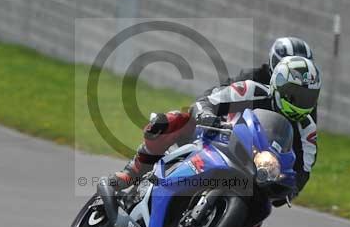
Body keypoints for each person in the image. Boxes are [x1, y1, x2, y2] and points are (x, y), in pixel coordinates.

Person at [110, 55, 321, 207]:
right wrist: (206, 114)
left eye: (308, 97)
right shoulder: (251, 89)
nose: (301, 103)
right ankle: (133, 172)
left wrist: (290, 190)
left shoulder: (307, 128)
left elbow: (305, 169)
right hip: (219, 139)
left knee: (261, 208)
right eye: (295, 95)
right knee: (176, 119)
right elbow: (208, 101)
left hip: (258, 169)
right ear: (279, 85)